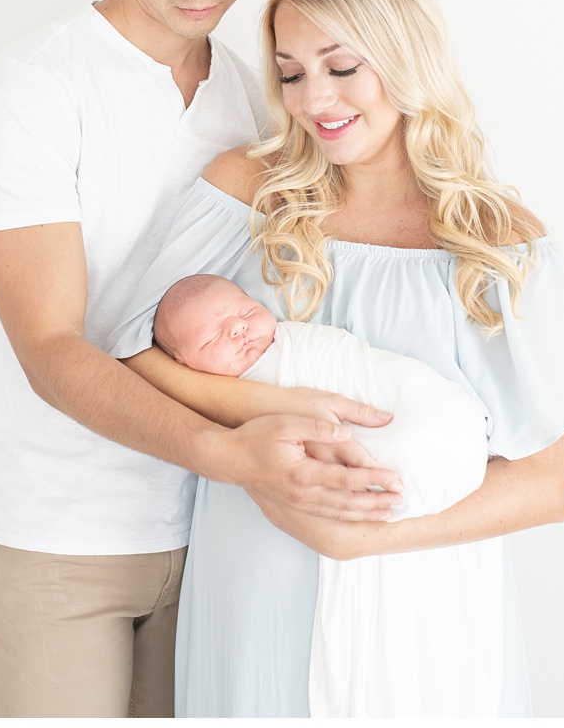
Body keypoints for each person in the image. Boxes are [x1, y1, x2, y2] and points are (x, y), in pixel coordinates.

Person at [0, 0, 404, 719]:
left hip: (224, 532)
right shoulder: (34, 91)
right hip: (65, 535)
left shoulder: (261, 95)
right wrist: (236, 453)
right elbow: (52, 349)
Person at [106, 0, 564, 716]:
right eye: (290, 73)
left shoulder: (493, 241)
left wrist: (361, 538)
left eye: (341, 66)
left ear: (404, 56)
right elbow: (130, 352)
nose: (313, 101)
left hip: (423, 607)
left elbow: (552, 479)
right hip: (253, 582)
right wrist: (266, 423)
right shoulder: (247, 193)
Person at [151, 272, 504, 716]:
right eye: (213, 336)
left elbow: (354, 367)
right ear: (184, 365)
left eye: (244, 312)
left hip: (420, 417)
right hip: (268, 586)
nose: (238, 329)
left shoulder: (302, 345)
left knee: (427, 438)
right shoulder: (218, 398)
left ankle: (413, 466)